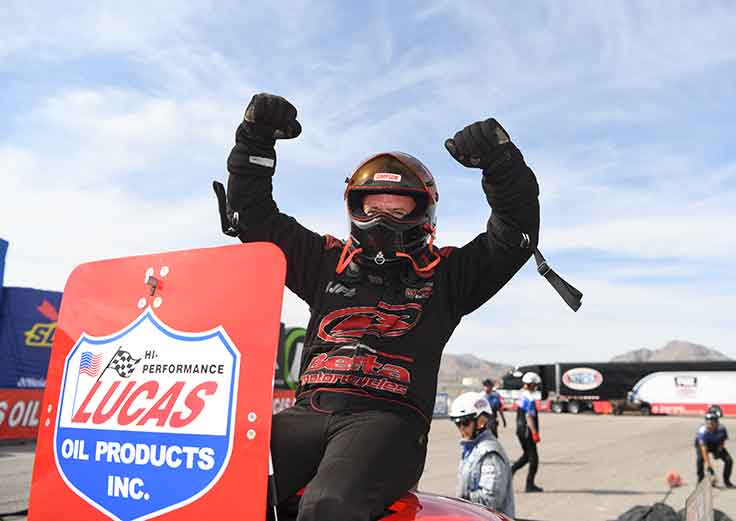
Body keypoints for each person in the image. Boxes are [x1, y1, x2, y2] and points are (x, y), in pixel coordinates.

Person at [214, 92, 544, 521]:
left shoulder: (446, 277)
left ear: (423, 214)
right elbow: (253, 217)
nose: (383, 219)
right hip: (308, 411)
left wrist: (501, 165)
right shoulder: (326, 261)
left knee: (328, 505)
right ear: (355, 208)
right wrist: (255, 140)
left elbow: (514, 237)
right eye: (373, 208)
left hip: (388, 421)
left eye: (397, 209)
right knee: (222, 482)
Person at [450, 392, 515, 517]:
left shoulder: (489, 453)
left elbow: (492, 500)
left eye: (465, 422)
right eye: (457, 423)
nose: (461, 428)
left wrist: (462, 498)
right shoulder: (472, 448)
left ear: (481, 421)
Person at [511, 371, 543, 492]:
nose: (536, 387)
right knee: (534, 459)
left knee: (526, 456)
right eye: (535, 385)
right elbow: (529, 417)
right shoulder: (530, 399)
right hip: (527, 431)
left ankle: (511, 470)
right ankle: (530, 485)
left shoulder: (522, 395)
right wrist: (534, 433)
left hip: (520, 430)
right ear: (531, 385)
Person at [695, 411, 733, 487]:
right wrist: (709, 467)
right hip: (703, 444)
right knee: (700, 460)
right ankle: (700, 479)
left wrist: (719, 450)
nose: (709, 425)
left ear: (717, 423)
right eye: (708, 423)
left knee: (729, 460)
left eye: (712, 423)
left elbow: (722, 441)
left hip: (716, 443)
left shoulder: (722, 429)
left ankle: (727, 481)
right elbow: (704, 449)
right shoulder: (702, 431)